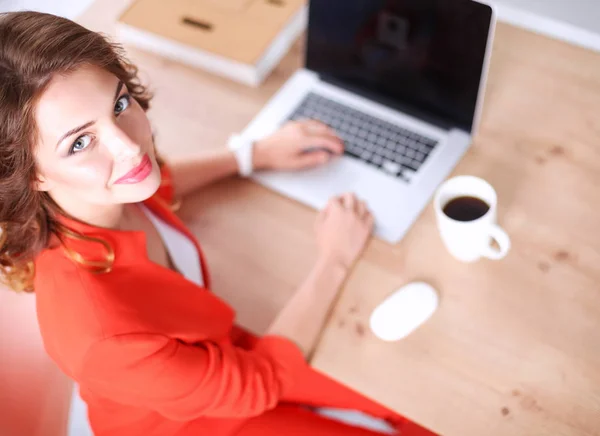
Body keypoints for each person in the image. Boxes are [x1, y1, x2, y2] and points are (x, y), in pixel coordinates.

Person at [0, 11, 436, 436]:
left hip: (222, 354)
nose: (130, 147)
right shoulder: (103, 338)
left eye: (118, 103)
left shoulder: (104, 194)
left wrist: (251, 156)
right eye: (80, 142)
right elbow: (259, 383)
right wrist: (335, 259)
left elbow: (162, 180)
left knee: (424, 411)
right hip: (192, 421)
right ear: (31, 173)